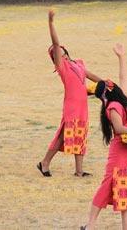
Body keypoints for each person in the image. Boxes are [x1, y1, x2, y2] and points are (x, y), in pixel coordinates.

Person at [81, 44, 127, 230]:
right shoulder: (113, 107)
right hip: (121, 152)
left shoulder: (124, 101)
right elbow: (119, 129)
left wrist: (121, 57)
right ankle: (90, 225)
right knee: (108, 185)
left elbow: (124, 77)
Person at [37, 10, 101, 177]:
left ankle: (79, 171)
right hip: (72, 106)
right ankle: (45, 162)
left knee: (81, 135)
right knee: (64, 136)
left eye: (60, 50)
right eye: (55, 53)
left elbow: (92, 76)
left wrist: (107, 85)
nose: (58, 52)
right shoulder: (62, 67)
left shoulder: (77, 64)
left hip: (82, 106)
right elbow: (56, 43)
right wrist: (51, 23)